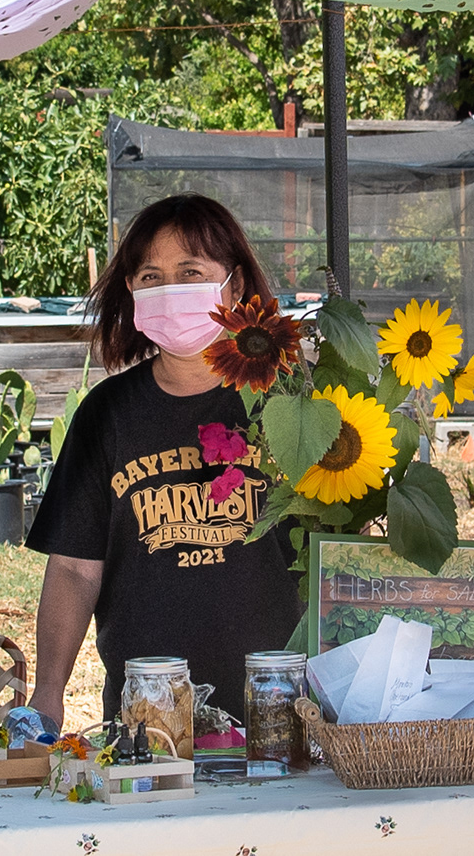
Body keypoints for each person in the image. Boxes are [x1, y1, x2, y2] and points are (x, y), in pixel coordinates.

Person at [26, 193, 302, 730]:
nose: (170, 290)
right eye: (151, 276)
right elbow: (74, 570)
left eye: (191, 271)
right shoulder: (105, 415)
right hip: (148, 716)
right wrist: (47, 694)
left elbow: (337, 551)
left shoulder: (291, 404)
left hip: (278, 708)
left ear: (236, 286)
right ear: (130, 291)